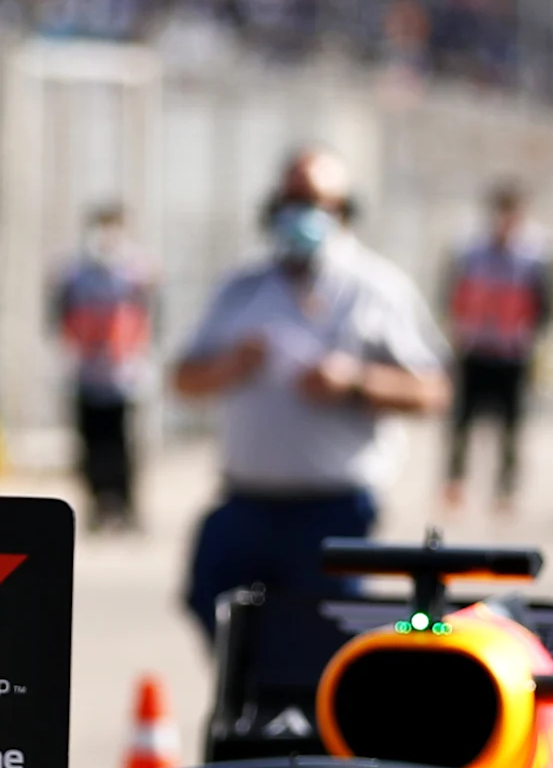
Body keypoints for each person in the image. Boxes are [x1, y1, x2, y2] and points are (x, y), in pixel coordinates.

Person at [173, 149, 450, 651]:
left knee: (324, 639)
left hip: (333, 509)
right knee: (209, 598)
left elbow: (433, 390)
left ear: (343, 210)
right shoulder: (243, 286)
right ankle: (252, 705)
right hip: (247, 500)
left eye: (316, 201)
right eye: (291, 200)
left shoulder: (375, 287)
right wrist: (231, 366)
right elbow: (183, 379)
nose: (301, 213)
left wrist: (354, 382)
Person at [441, 182, 553, 514]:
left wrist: (540, 342)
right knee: (462, 420)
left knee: (512, 425)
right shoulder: (470, 250)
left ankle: (505, 490)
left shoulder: (536, 254)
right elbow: (453, 292)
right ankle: (455, 481)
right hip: (475, 344)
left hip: (512, 350)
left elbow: (546, 303)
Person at [50, 203, 157, 531]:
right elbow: (60, 318)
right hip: (86, 373)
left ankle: (126, 507)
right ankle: (97, 504)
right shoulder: (74, 273)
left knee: (125, 446)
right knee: (90, 445)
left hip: (125, 375)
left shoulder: (137, 272)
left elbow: (151, 318)